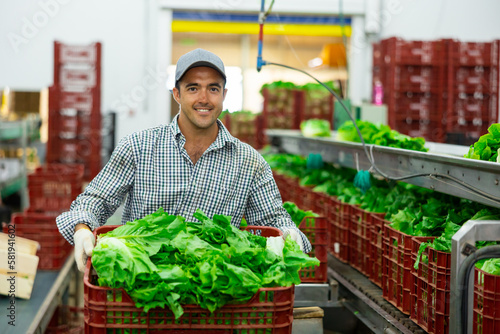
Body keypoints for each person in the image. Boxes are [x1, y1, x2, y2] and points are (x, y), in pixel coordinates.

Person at [57, 48, 312, 272]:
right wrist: (82, 228)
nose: (204, 98)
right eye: (193, 88)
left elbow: (273, 220)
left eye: (213, 88)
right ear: (176, 94)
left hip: (213, 291)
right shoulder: (139, 147)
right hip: (142, 285)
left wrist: (289, 234)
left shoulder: (249, 162)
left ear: (224, 94)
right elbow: (95, 200)